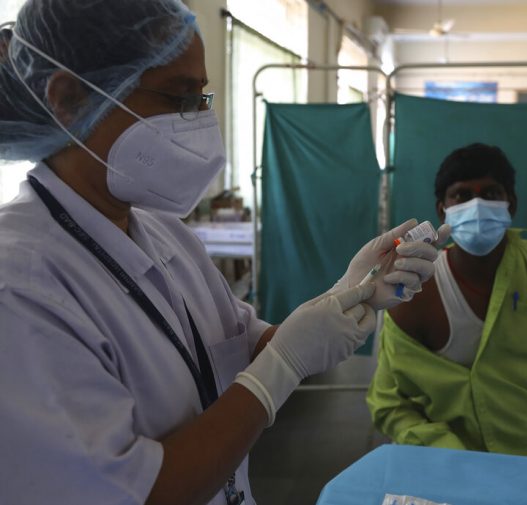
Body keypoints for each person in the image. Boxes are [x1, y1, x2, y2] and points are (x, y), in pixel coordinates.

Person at [0, 2, 448, 504]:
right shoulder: (21, 285)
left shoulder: (164, 233)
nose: (199, 120)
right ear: (68, 98)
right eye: (179, 96)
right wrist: (285, 362)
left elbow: (238, 350)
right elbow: (140, 493)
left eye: (203, 97)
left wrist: (349, 296)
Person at [367, 143, 527, 461]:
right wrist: (446, 452)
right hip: (440, 460)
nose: (477, 205)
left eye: (491, 194)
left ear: (511, 203)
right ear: (442, 210)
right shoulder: (413, 290)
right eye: (462, 195)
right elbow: (387, 401)